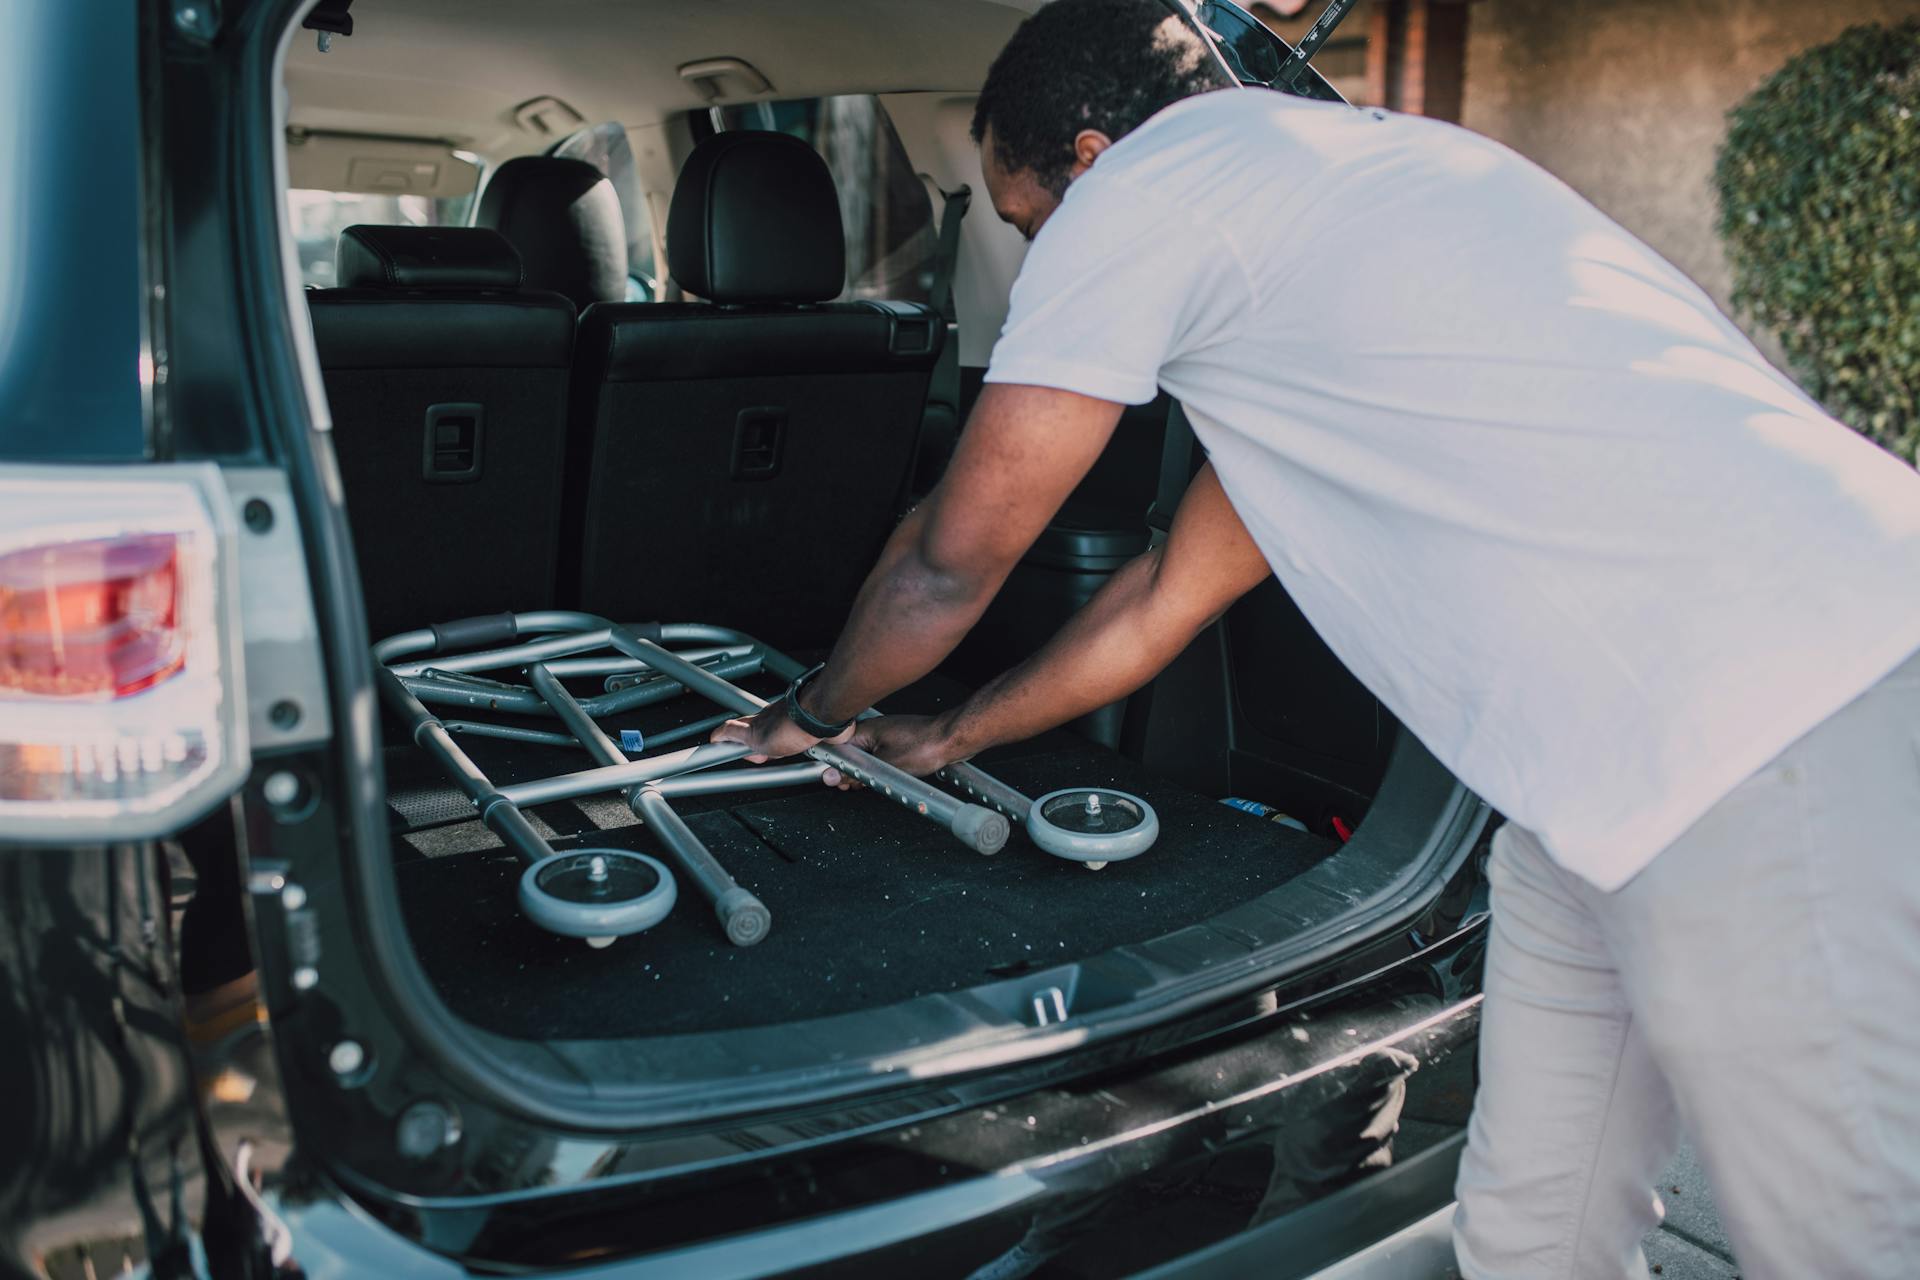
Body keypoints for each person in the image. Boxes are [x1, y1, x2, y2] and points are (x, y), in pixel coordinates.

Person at [713, 1, 1920, 1274]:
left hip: (1777, 710)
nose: (1034, 266)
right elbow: (1167, 589)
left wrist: (815, 710)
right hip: (1598, 781)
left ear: (1084, 156)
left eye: (1025, 227)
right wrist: (947, 730)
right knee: (1530, 1232)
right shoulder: (1347, 201)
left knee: (1846, 1237)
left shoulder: (1143, 193)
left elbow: (950, 562)